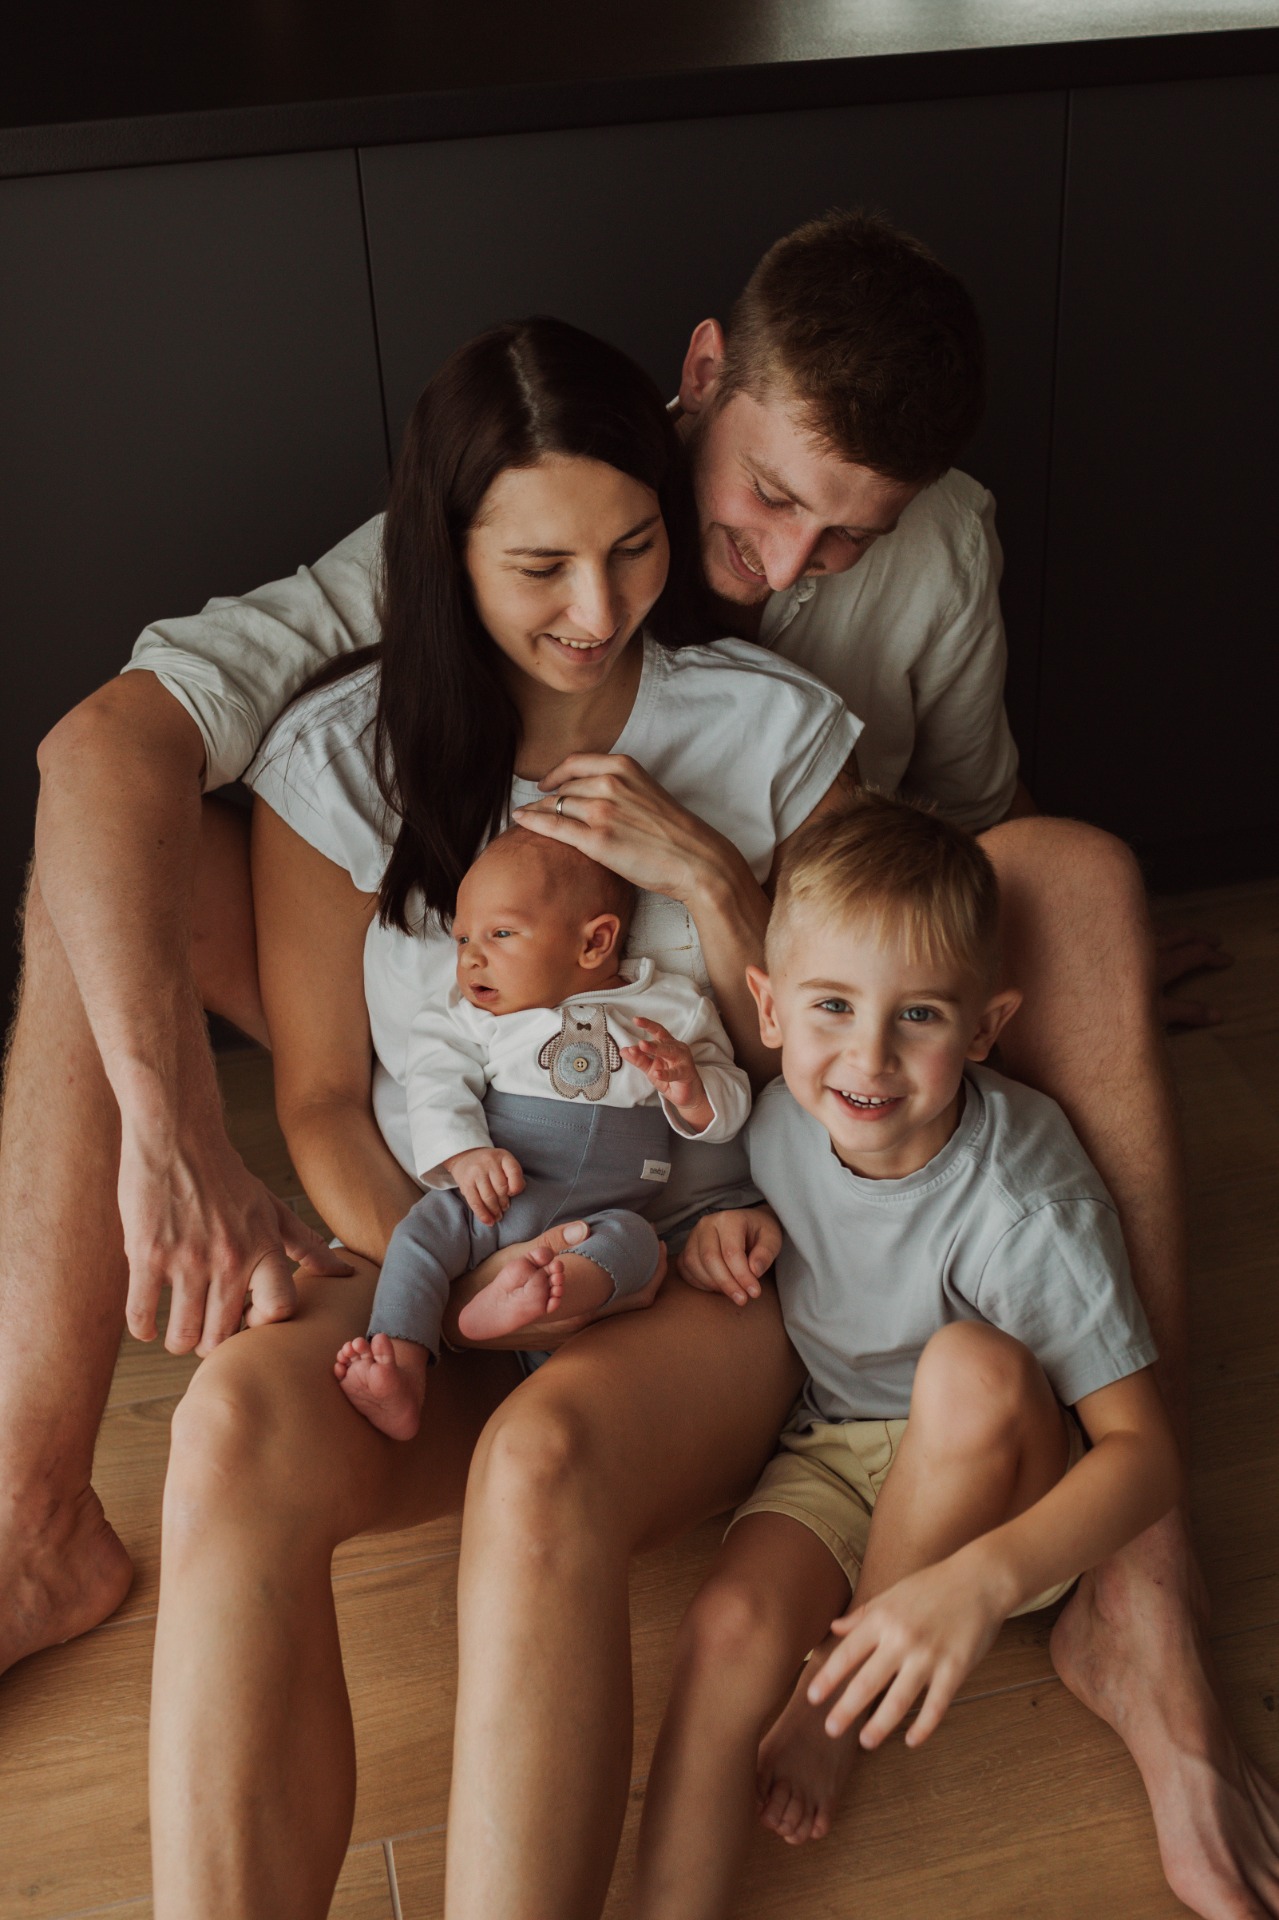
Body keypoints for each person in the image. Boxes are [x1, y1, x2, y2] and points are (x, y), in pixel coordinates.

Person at [1, 209, 1271, 1918]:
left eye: (632, 554)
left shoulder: (773, 721)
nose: (597, 608)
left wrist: (1011, 978)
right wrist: (445, 1275)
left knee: (540, 1462)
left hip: (691, 1263)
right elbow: (314, 1086)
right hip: (461, 1244)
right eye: (541, 568)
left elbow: (877, 960)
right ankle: (40, 1530)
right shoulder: (342, 744)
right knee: (228, 1419)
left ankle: (1141, 1621)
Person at [630, 791, 1183, 1917]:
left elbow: (1144, 1459)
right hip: (832, 1450)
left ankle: (837, 1707)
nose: (869, 1056)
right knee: (727, 1629)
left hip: (1000, 1488)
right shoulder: (780, 1123)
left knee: (966, 1366)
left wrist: (982, 1580)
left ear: (983, 1027)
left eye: (918, 1015)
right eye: (832, 1006)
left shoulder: (1025, 1202)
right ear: (769, 1008)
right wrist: (723, 1236)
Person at [334, 826, 750, 1437]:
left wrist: (693, 1091)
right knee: (419, 1235)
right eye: (463, 938)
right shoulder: (471, 1017)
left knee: (638, 1245)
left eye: (500, 934)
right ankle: (399, 1362)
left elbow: (732, 1098)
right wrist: (466, 1155)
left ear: (595, 941)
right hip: (497, 1198)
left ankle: (551, 1292)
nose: (471, 958)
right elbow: (434, 1079)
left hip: (606, 1215)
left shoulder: (672, 1008)